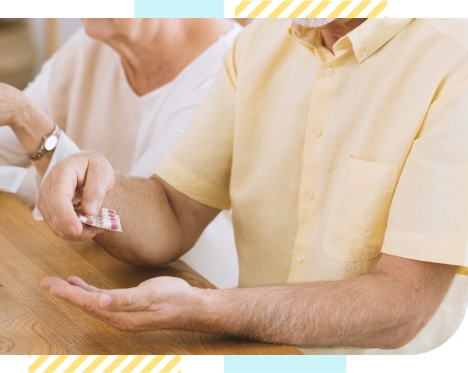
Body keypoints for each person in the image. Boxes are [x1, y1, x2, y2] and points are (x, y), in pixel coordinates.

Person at [35, 18, 468, 354]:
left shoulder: (454, 61)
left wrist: (207, 310)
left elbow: (401, 306)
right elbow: (172, 210)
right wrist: (94, 185)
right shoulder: (257, 44)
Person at [0, 19, 242, 289]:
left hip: (183, 291)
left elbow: (145, 227)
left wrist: (30, 121)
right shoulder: (94, 39)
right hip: (84, 273)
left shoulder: (228, 64)